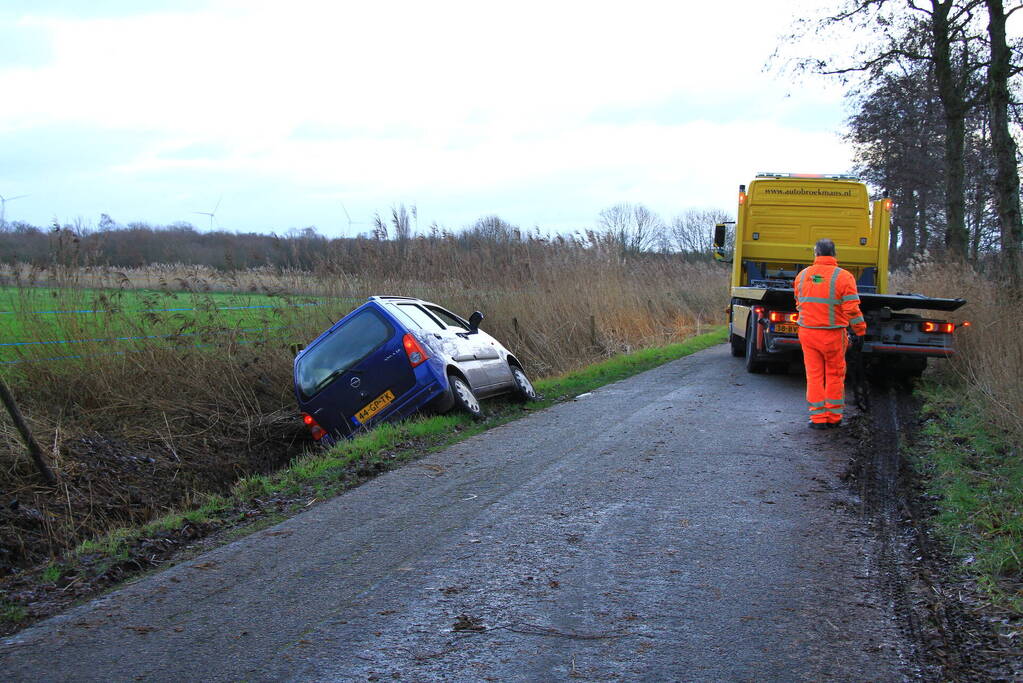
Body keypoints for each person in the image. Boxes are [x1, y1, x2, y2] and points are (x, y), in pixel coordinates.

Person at [794, 239, 867, 429]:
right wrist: (860, 331)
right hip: (833, 334)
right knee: (834, 375)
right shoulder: (844, 277)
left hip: (808, 333)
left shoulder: (802, 276)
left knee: (814, 375)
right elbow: (852, 309)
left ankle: (817, 419)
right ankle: (834, 417)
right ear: (835, 254)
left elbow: (799, 302)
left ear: (815, 253)